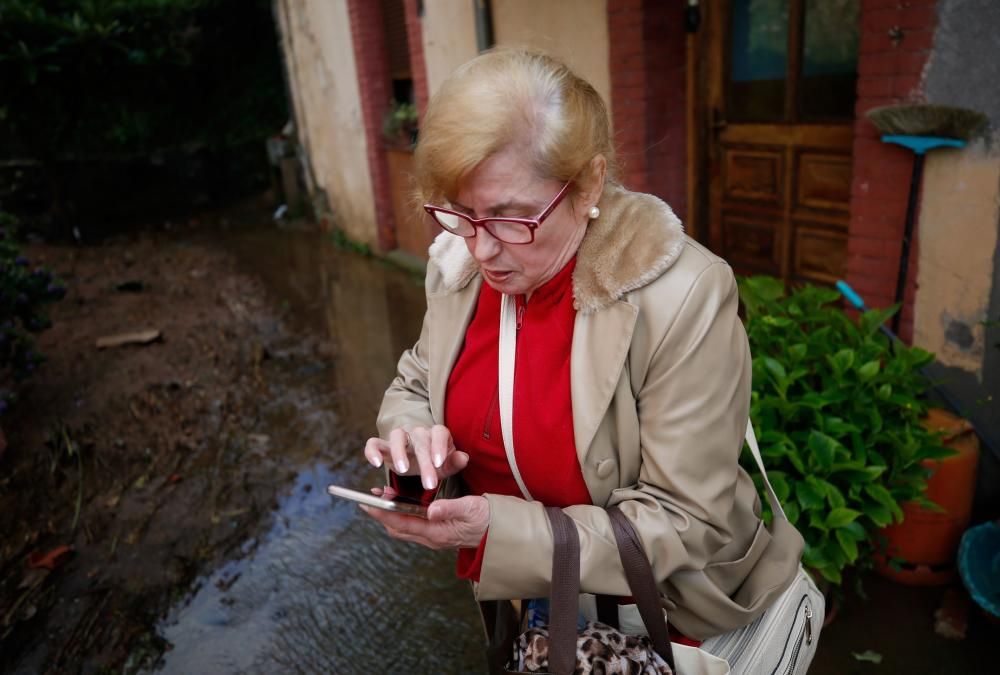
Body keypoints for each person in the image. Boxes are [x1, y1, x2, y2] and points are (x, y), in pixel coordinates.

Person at [361, 48, 802, 652]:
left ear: (589, 183)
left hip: (662, 614)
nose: (483, 249)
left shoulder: (683, 294)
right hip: (532, 585)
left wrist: (497, 532)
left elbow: (686, 519)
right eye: (462, 212)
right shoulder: (459, 266)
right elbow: (417, 379)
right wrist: (414, 441)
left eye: (512, 217)